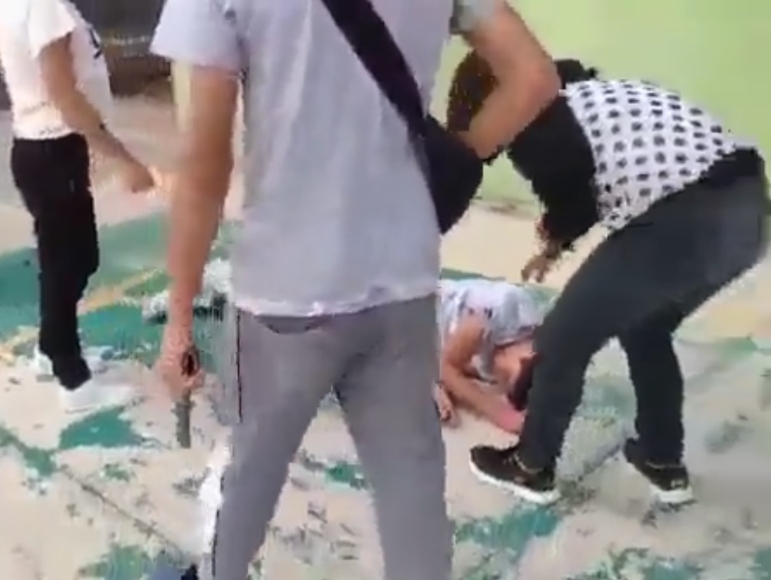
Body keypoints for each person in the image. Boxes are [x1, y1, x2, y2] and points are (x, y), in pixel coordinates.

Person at [150, 0, 560, 576]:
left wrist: (178, 321)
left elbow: (204, 162)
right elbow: (534, 76)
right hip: (403, 278)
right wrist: (458, 156)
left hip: (284, 289)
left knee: (250, 470)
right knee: (411, 483)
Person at [449, 55, 770, 506]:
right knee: (645, 328)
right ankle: (662, 461)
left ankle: (531, 466)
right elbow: (582, 190)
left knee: (562, 338)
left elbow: (576, 206)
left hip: (685, 217)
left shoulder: (538, 121)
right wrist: (556, 240)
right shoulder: (587, 95)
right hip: (750, 217)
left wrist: (553, 239)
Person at [0, 0, 156, 413]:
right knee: (67, 265)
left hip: (44, 148)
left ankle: (50, 350)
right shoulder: (43, 5)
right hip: (52, 150)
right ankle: (72, 379)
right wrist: (124, 160)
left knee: (71, 260)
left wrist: (25, 88)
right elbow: (64, 94)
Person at [435, 277, 540, 432]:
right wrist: (500, 413)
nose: (499, 378)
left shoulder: (518, 345)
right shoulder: (486, 319)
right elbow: (446, 368)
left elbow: (457, 366)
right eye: (506, 376)